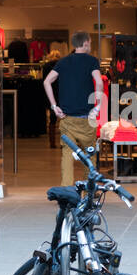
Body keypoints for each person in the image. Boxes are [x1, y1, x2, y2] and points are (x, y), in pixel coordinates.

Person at [44, 31, 103, 186]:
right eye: (90, 43)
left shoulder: (63, 62)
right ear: (85, 43)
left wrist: (54, 106)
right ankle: (89, 189)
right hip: (86, 118)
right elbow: (99, 81)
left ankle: (67, 191)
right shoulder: (92, 61)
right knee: (89, 155)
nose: (90, 46)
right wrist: (98, 106)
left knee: (67, 155)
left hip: (67, 118)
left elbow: (47, 82)